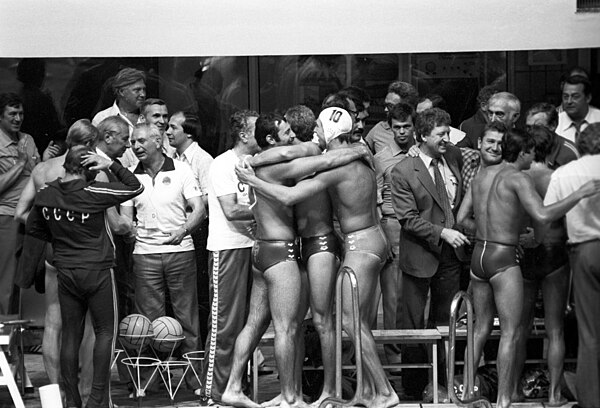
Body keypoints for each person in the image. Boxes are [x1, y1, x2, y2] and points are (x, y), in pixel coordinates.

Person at [236, 107, 399, 408]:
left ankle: (357, 390)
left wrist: (252, 178)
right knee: (336, 321)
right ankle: (353, 391)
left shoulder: (334, 164)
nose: (315, 136)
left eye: (320, 130)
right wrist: (253, 160)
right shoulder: (358, 154)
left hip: (345, 244)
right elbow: (288, 157)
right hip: (354, 241)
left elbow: (288, 195)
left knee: (338, 321)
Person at [456, 128, 600, 408]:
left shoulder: (483, 173)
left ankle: (466, 393)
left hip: (479, 257)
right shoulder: (518, 178)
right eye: (532, 152)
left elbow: (462, 219)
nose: (534, 157)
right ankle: (503, 400)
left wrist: (489, 233)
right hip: (502, 258)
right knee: (510, 332)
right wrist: (579, 193)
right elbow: (544, 214)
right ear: (522, 153)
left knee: (480, 328)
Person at [25, 145, 144, 408]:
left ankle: (72, 401)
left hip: (65, 271)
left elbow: (34, 227)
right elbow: (135, 187)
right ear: (88, 170)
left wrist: (62, 238)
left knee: (70, 334)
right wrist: (111, 165)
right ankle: (97, 400)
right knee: (104, 333)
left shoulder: (46, 194)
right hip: (98, 271)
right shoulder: (93, 192)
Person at [14, 119, 105, 400]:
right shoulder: (94, 171)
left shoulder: (43, 169)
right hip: (84, 255)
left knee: (54, 324)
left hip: (55, 253)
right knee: (89, 326)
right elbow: (108, 218)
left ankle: (55, 396)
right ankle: (86, 392)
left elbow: (20, 213)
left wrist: (52, 226)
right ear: (89, 144)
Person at [120, 123, 205, 391]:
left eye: (142, 141)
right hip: (145, 255)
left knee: (187, 318)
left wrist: (183, 231)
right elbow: (125, 217)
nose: (136, 146)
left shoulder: (181, 170)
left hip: (180, 252)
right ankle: (149, 382)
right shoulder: (131, 177)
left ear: (158, 142)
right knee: (147, 323)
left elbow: (199, 209)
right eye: (134, 142)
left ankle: (196, 380)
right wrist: (129, 230)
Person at [391, 107, 467, 399]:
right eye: (441, 134)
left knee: (446, 323)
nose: (447, 138)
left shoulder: (455, 156)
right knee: (412, 325)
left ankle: (443, 384)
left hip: (452, 256)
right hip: (420, 255)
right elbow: (408, 218)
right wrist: (441, 232)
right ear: (422, 136)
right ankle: (412, 388)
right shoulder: (403, 171)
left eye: (448, 132)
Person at [200, 110, 259, 404]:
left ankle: (238, 386)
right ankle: (213, 391)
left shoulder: (258, 161)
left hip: (252, 245)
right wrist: (268, 210)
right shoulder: (223, 164)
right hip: (228, 248)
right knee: (225, 323)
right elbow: (232, 210)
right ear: (244, 134)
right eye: (257, 128)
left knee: (249, 322)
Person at [544, 123, 600, 408]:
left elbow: (548, 215)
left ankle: (591, 400)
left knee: (589, 332)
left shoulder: (565, 173)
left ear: (583, 145)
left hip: (584, 250)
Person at [515, 125, 571, 407]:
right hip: (555, 252)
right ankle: (554, 395)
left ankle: (511, 390)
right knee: (555, 329)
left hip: (525, 253)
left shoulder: (517, 177)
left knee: (518, 328)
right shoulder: (559, 178)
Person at [373, 102, 416, 367]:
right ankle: (394, 354)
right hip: (392, 224)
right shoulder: (381, 158)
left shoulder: (420, 154)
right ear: (391, 128)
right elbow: (374, 201)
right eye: (397, 127)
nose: (401, 132)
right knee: (393, 296)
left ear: (414, 127)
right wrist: (383, 235)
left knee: (415, 294)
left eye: (406, 126)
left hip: (418, 226)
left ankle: (415, 351)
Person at [167, 111, 214, 345]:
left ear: (188, 133)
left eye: (173, 127)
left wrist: (184, 201)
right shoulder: (174, 156)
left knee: (199, 289)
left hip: (198, 229)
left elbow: (209, 195)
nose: (167, 132)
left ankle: (201, 346)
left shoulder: (202, 159)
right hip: (179, 226)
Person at [0, 93, 40, 315]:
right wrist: (21, 163)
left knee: (21, 279)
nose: (17, 118)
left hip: (29, 216)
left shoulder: (28, 140)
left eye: (21, 113)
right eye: (12, 113)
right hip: (6, 216)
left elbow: (37, 174)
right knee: (5, 280)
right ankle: (2, 338)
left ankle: (14, 340)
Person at [92, 67, 147, 167]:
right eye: (137, 90)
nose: (142, 94)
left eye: (144, 89)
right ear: (121, 92)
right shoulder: (102, 118)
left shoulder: (150, 116)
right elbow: (97, 153)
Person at [365, 81, 419, 153]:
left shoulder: (423, 130)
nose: (385, 110)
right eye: (385, 105)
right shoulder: (378, 130)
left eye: (390, 106)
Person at [525, 102, 579, 169]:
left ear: (552, 126)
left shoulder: (569, 153)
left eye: (537, 127)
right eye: (528, 127)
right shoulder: (522, 148)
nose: (531, 132)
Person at [556, 75, 600, 143]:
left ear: (588, 98)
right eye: (565, 97)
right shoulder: (555, 123)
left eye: (575, 97)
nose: (569, 101)